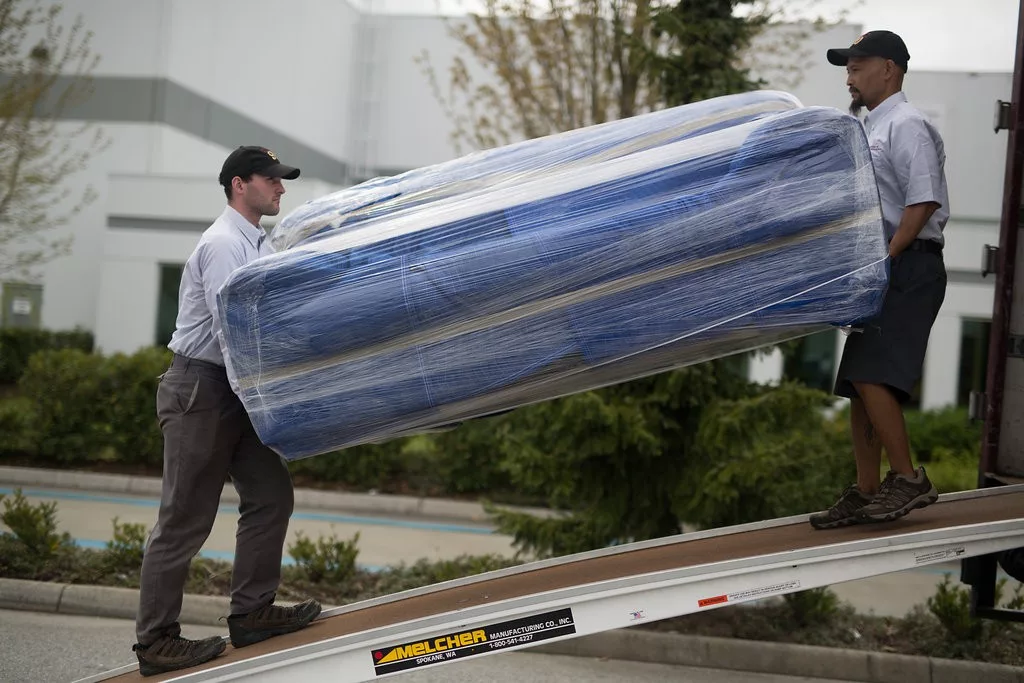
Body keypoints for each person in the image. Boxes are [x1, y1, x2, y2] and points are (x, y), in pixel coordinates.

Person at [132, 146, 322, 676]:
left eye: (282, 181)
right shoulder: (222, 245)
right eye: (272, 180)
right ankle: (156, 643)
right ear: (241, 184)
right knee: (185, 518)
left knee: (270, 495)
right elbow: (234, 328)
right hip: (203, 390)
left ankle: (252, 612)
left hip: (234, 388)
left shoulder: (255, 242)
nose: (281, 188)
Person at [810, 31, 948, 530]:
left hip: (909, 264)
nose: (849, 75)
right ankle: (868, 490)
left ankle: (909, 479)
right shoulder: (869, 128)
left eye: (857, 65)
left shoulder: (907, 124)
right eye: (847, 67)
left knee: (874, 376)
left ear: (888, 69)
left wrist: (885, 260)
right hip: (882, 265)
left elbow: (923, 201)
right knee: (857, 384)